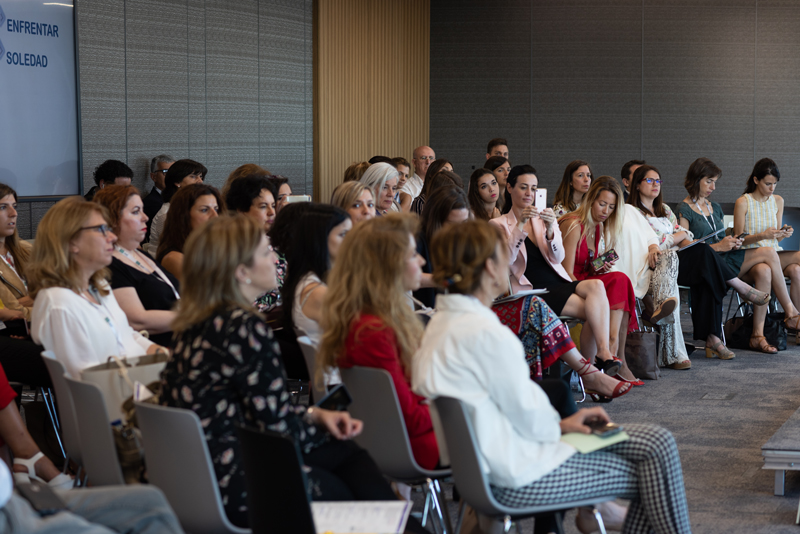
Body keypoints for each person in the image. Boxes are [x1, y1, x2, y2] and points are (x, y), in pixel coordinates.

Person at [412, 220, 691, 534]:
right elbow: (530, 421)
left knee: (653, 452)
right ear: (490, 267)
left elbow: (507, 410)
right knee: (657, 452)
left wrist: (563, 424)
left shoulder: (436, 327)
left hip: (479, 470)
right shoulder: (487, 333)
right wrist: (564, 427)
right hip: (519, 474)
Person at [161, 215, 423, 531]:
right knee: (346, 465)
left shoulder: (196, 324)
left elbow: (261, 405)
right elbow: (276, 428)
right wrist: (318, 426)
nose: (276, 258)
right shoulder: (243, 327)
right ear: (241, 271)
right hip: (241, 481)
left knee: (345, 458)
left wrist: (313, 414)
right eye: (266, 252)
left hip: (198, 477)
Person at [317, 214, 439, 470]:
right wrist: (455, 410)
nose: (421, 260)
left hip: (399, 438)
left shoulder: (366, 319)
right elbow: (407, 417)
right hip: (414, 445)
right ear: (388, 265)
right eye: (412, 255)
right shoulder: (373, 331)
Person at [490, 166, 623, 378]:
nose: (529, 193)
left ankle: (602, 355)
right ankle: (591, 373)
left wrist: (551, 229)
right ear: (509, 188)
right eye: (523, 187)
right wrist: (520, 225)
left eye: (533, 188)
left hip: (557, 282)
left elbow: (558, 257)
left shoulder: (542, 220)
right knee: (595, 311)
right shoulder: (497, 224)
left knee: (597, 288)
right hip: (533, 291)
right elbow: (504, 261)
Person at [627, 165, 761, 366]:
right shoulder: (633, 213)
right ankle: (739, 287)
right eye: (649, 180)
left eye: (658, 181)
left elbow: (685, 236)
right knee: (706, 259)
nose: (656, 184)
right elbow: (654, 241)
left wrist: (680, 238)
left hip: (680, 259)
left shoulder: (665, 210)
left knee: (706, 267)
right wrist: (677, 236)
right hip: (656, 266)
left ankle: (713, 339)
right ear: (637, 185)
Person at [28, 197, 167, 378]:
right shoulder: (59, 303)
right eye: (101, 229)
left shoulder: (99, 285)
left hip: (138, 378)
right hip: (123, 389)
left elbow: (127, 335)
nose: (113, 237)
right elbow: (87, 378)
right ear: (72, 241)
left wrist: (163, 355)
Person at [678, 157, 798, 354]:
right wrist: (719, 246)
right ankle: (790, 311)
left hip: (727, 257)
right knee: (768, 253)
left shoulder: (715, 207)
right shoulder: (684, 209)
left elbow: (723, 237)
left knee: (765, 269)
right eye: (709, 181)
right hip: (709, 263)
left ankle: (758, 336)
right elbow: (686, 248)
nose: (713, 187)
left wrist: (733, 240)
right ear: (696, 179)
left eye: (715, 182)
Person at [560, 176, 639, 383]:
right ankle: (608, 355)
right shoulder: (573, 224)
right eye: (602, 204)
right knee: (607, 290)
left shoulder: (598, 226)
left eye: (611, 207)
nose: (606, 211)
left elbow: (586, 267)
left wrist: (597, 266)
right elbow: (566, 271)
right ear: (590, 200)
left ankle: (613, 348)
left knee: (621, 279)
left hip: (587, 280)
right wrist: (591, 288)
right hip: (568, 283)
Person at [94, 185, 180, 347]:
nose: (145, 217)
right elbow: (136, 320)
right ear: (112, 219)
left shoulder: (139, 253)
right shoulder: (109, 264)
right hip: (154, 350)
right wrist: (194, 316)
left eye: (142, 210)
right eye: (135, 212)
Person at [0, 459, 184, 533]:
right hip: (7, 519)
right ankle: (35, 459)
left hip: (13, 498)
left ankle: (34, 459)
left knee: (149, 499)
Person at [282, 204, 351, 347]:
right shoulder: (316, 291)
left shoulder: (313, 276)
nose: (351, 241)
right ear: (320, 238)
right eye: (343, 234)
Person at [735, 158, 800, 310]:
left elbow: (777, 238)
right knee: (767, 267)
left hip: (774, 254)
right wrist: (762, 235)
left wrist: (784, 233)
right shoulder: (743, 202)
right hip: (751, 258)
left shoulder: (778, 201)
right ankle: (791, 313)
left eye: (775, 183)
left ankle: (796, 318)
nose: (772, 188)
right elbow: (738, 240)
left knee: (796, 270)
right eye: (768, 184)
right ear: (756, 180)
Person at [412, 186, 470, 309]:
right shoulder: (417, 238)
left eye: (464, 223)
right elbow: (406, 275)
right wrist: (446, 280)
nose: (460, 230)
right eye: (453, 224)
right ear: (436, 220)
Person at [156, 183, 221, 279]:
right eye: (204, 210)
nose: (215, 216)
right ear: (183, 216)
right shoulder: (174, 258)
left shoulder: (207, 246)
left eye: (216, 209)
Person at [147, 159, 207, 256]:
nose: (200, 181)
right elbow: (181, 251)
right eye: (193, 176)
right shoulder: (166, 214)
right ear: (177, 182)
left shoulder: (191, 207)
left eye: (201, 177)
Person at [143, 154, 175, 241]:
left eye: (173, 172)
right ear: (153, 177)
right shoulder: (151, 203)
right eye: (166, 172)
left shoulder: (179, 197)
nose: (171, 177)